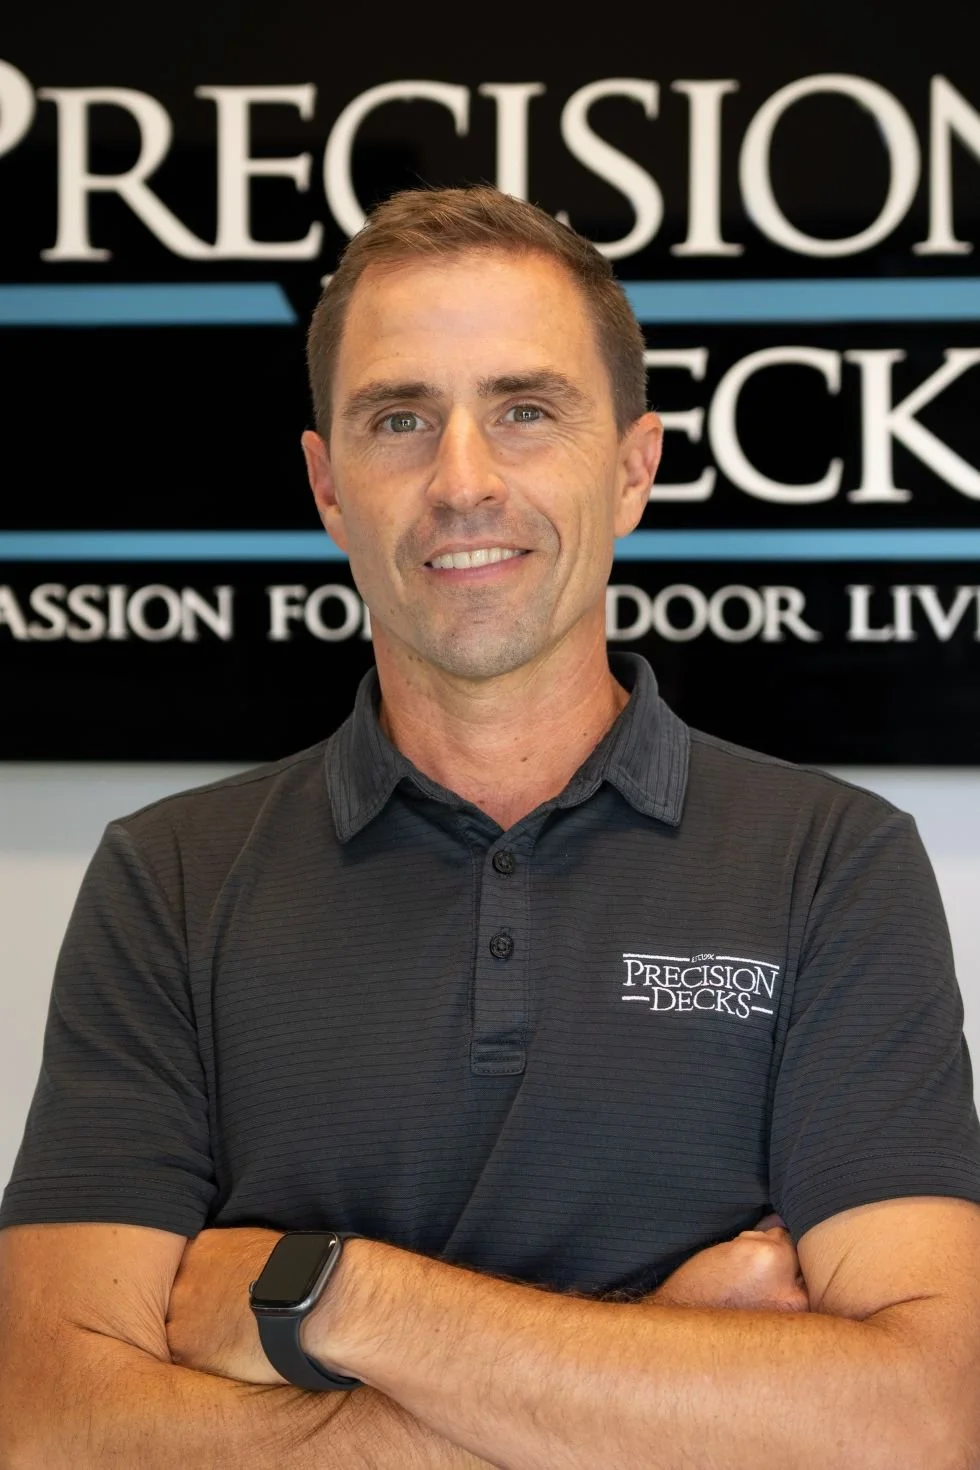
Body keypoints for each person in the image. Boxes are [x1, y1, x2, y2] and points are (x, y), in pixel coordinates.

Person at [2, 185, 980, 1470]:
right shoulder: (167, 882)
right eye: (399, 419)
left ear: (633, 468)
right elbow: (52, 1423)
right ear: (327, 487)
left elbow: (922, 1415)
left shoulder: (830, 866)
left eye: (524, 411)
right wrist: (662, 1372)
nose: (462, 481)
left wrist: (339, 1297)